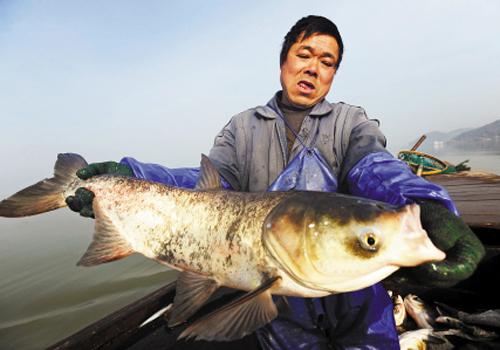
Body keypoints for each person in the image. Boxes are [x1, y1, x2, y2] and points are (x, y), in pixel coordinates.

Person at [66, 15, 485, 349]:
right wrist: (132, 177)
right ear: (284, 58)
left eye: (328, 62)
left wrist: (423, 202)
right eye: (306, 54)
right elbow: (208, 184)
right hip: (275, 295)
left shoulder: (350, 122)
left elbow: (373, 165)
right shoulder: (243, 128)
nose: (314, 69)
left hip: (357, 291)